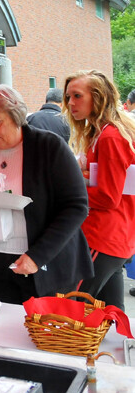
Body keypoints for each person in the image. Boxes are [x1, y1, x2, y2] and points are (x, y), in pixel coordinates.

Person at [0, 85, 92, 305]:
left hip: (44, 262)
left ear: (16, 117)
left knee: (44, 335)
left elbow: (76, 206)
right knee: (2, 332)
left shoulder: (49, 147)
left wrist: (38, 256)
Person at [64, 71, 135, 310]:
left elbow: (107, 196)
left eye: (77, 96)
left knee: (72, 308)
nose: (70, 103)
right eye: (68, 97)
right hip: (115, 238)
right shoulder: (107, 133)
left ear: (99, 98)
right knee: (111, 314)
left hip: (103, 237)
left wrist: (69, 192)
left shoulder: (110, 137)